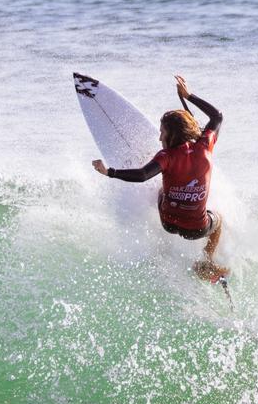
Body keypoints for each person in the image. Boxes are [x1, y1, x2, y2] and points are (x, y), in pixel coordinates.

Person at [92, 75, 228, 282]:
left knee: (161, 192)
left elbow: (143, 175)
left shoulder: (166, 157)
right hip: (197, 229)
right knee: (218, 221)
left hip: (168, 222)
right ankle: (206, 262)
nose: (159, 137)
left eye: (162, 132)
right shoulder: (205, 146)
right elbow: (217, 116)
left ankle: (162, 249)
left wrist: (109, 171)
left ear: (172, 135)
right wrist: (188, 95)